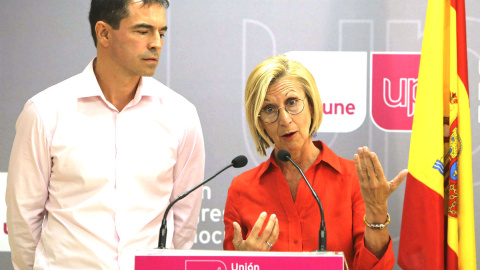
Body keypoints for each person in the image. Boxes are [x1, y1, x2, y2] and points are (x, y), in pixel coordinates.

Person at [6, 0, 205, 269]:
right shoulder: (45, 112)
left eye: (162, 33)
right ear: (104, 33)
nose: (156, 43)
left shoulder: (181, 115)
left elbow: (184, 217)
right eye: (143, 31)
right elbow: (24, 216)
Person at [223, 55, 408, 270]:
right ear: (260, 123)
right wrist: (245, 264)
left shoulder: (352, 180)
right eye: (270, 109)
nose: (284, 119)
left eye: (292, 102)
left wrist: (376, 213)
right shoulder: (241, 189)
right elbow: (228, 264)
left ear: (312, 105)